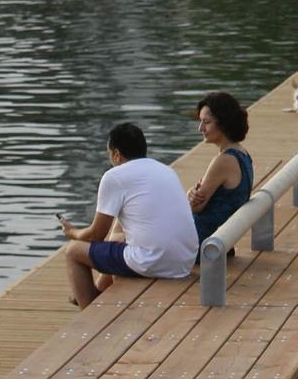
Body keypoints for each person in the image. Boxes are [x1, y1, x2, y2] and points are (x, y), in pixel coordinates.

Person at [60, 125, 198, 308]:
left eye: (109, 154)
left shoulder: (114, 176)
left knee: (73, 251)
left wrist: (73, 233)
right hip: (184, 260)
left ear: (116, 154)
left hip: (153, 261)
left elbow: (95, 236)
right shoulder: (165, 170)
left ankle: (89, 311)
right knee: (117, 234)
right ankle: (98, 293)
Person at [187, 94, 254, 250]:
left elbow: (195, 207)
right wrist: (191, 193)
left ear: (223, 124)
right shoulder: (243, 154)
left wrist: (189, 195)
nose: (200, 128)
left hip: (200, 243)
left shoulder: (224, 161)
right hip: (220, 238)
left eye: (206, 122)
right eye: (200, 121)